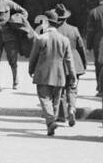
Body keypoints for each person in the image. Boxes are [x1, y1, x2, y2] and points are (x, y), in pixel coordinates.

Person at [28, 8, 74, 136]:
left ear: (46, 22)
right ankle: (50, 126)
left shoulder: (41, 38)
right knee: (55, 100)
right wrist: (73, 76)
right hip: (60, 75)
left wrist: (30, 70)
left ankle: (51, 120)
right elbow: (69, 60)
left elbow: (33, 57)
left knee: (44, 98)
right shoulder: (64, 40)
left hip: (43, 74)